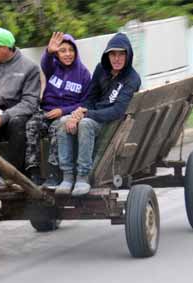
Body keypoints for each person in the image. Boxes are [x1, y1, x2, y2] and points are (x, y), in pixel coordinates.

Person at [55, 32, 141, 196]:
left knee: (85, 124)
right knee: (63, 121)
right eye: (113, 54)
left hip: (111, 123)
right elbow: (90, 98)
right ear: (107, 55)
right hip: (94, 115)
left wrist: (86, 115)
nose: (117, 58)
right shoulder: (101, 69)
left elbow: (117, 111)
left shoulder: (132, 78)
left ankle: (82, 176)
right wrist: (79, 113)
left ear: (128, 55)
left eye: (121, 54)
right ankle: (67, 176)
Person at [25, 32, 91, 188]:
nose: (67, 54)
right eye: (63, 51)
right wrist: (49, 52)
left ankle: (54, 173)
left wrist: (63, 111)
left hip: (66, 115)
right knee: (31, 125)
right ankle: (33, 171)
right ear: (58, 53)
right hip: (46, 111)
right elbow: (44, 63)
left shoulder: (84, 74)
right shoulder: (53, 67)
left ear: (76, 52)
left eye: (71, 50)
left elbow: (86, 102)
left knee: (56, 129)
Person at [0, 27, 41, 186]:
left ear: (5, 48)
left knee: (16, 123)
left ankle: (15, 175)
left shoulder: (29, 67)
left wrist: (5, 116)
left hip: (20, 113)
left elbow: (30, 103)